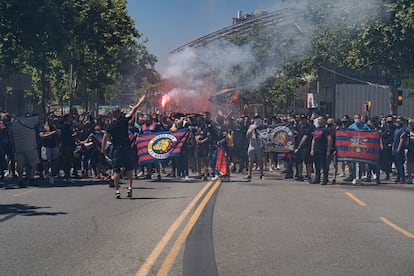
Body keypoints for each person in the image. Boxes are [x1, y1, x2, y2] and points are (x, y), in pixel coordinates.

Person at [102, 95, 145, 199]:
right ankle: (130, 187)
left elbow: (105, 137)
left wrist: (103, 150)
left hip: (117, 149)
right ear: (118, 113)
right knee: (129, 169)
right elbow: (134, 110)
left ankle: (117, 191)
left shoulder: (111, 126)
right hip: (127, 148)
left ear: (112, 115)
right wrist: (140, 101)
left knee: (116, 170)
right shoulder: (124, 120)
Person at [9, 113, 40, 186]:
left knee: (20, 164)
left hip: (18, 146)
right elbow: (38, 117)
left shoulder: (13, 124)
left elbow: (11, 137)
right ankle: (31, 178)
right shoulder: (28, 121)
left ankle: (20, 179)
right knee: (34, 163)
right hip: (30, 145)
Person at [310, 116, 332, 185]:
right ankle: (317, 178)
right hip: (316, 149)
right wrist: (312, 149)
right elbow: (313, 139)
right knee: (317, 165)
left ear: (323, 121)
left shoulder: (325, 130)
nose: (318, 121)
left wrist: (328, 150)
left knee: (324, 165)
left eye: (320, 120)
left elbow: (329, 139)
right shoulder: (316, 129)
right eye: (318, 120)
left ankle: (325, 179)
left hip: (323, 150)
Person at [245, 114, 264, 180]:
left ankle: (261, 174)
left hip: (259, 145)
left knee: (260, 160)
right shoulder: (251, 126)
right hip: (252, 145)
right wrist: (253, 128)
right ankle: (249, 174)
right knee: (251, 161)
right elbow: (247, 135)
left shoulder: (262, 127)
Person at [392, 117, 408, 184]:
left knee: (400, 164)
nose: (397, 123)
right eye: (397, 121)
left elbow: (402, 140)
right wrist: (393, 148)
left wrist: (398, 148)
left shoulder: (403, 130)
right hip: (394, 148)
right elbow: (394, 139)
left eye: (399, 121)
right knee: (396, 164)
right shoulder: (396, 130)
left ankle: (402, 178)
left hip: (400, 149)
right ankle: (398, 177)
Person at [406, 119, 414, 184]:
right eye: (410, 123)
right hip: (409, 150)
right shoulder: (407, 131)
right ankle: (409, 178)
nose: (411, 125)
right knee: (409, 163)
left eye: (412, 123)